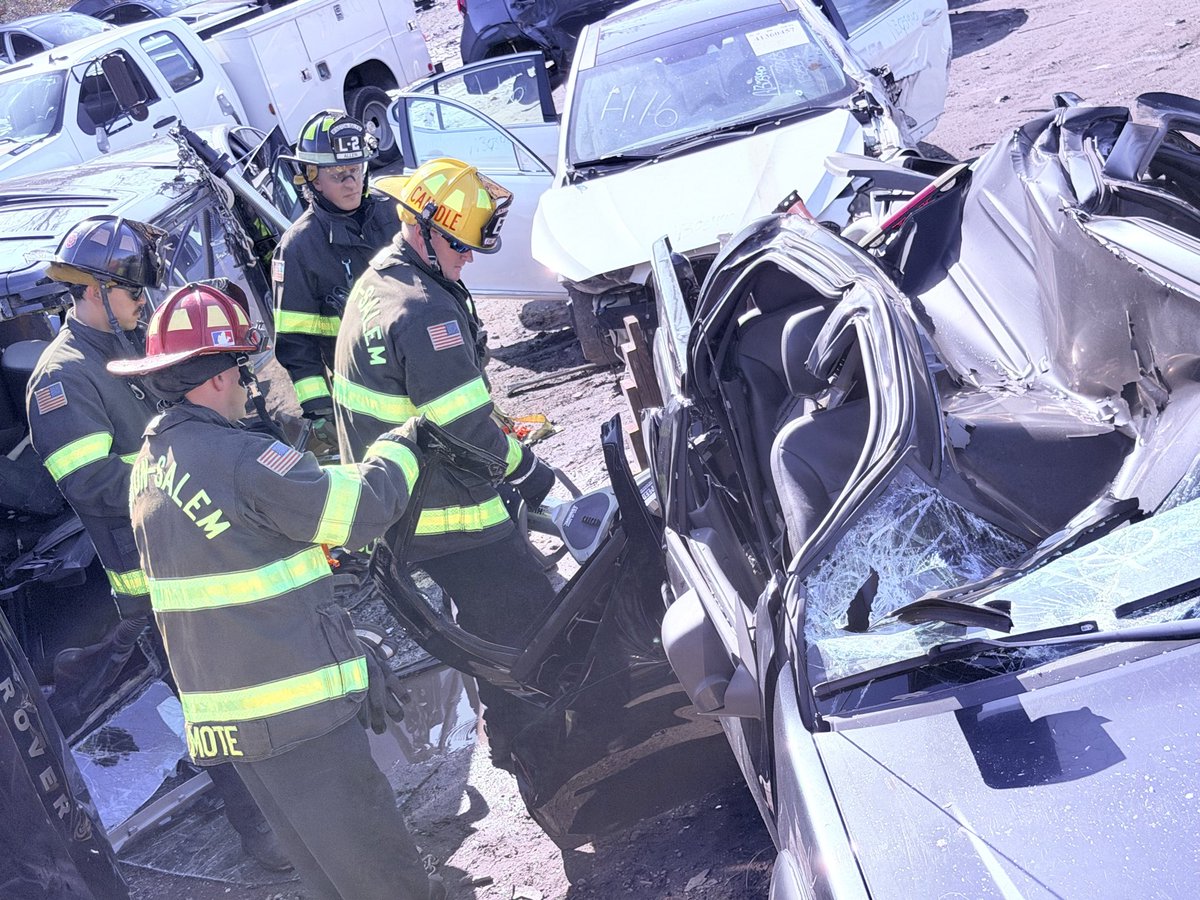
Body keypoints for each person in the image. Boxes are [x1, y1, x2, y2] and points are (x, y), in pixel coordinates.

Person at [109, 282, 444, 900]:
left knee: (328, 876)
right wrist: (401, 448)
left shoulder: (151, 461)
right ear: (212, 378)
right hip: (298, 715)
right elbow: (355, 508)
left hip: (236, 722)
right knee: (383, 875)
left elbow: (250, 542)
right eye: (240, 367)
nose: (247, 383)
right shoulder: (242, 458)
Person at [25, 216, 290, 872]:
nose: (146, 304)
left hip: (218, 550)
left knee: (275, 683)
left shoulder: (143, 341)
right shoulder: (59, 383)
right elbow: (92, 484)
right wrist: (197, 466)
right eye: (135, 293)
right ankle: (261, 830)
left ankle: (300, 799)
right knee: (220, 711)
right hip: (161, 587)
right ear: (93, 289)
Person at [331, 158, 558, 769]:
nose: (470, 259)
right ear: (424, 230)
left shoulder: (384, 281)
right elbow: (463, 428)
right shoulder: (422, 309)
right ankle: (543, 750)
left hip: (411, 503)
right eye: (460, 246)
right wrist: (534, 476)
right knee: (528, 625)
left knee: (488, 624)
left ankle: (512, 739)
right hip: (445, 512)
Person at [273, 109, 402, 448]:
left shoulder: (395, 214)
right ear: (312, 178)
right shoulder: (298, 249)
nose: (351, 182)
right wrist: (320, 411)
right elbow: (296, 344)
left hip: (423, 372)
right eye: (338, 174)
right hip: (368, 401)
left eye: (356, 169)